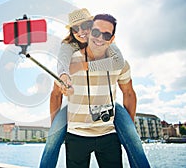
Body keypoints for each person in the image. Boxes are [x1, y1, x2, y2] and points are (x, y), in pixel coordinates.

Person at [39, 10, 150, 168]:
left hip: (109, 111)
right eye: (75, 28)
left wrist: (83, 66)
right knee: (53, 138)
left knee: (132, 137)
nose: (81, 31)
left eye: (85, 26)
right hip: (76, 116)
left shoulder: (112, 48)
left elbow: (121, 72)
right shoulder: (69, 48)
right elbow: (61, 66)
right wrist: (64, 75)